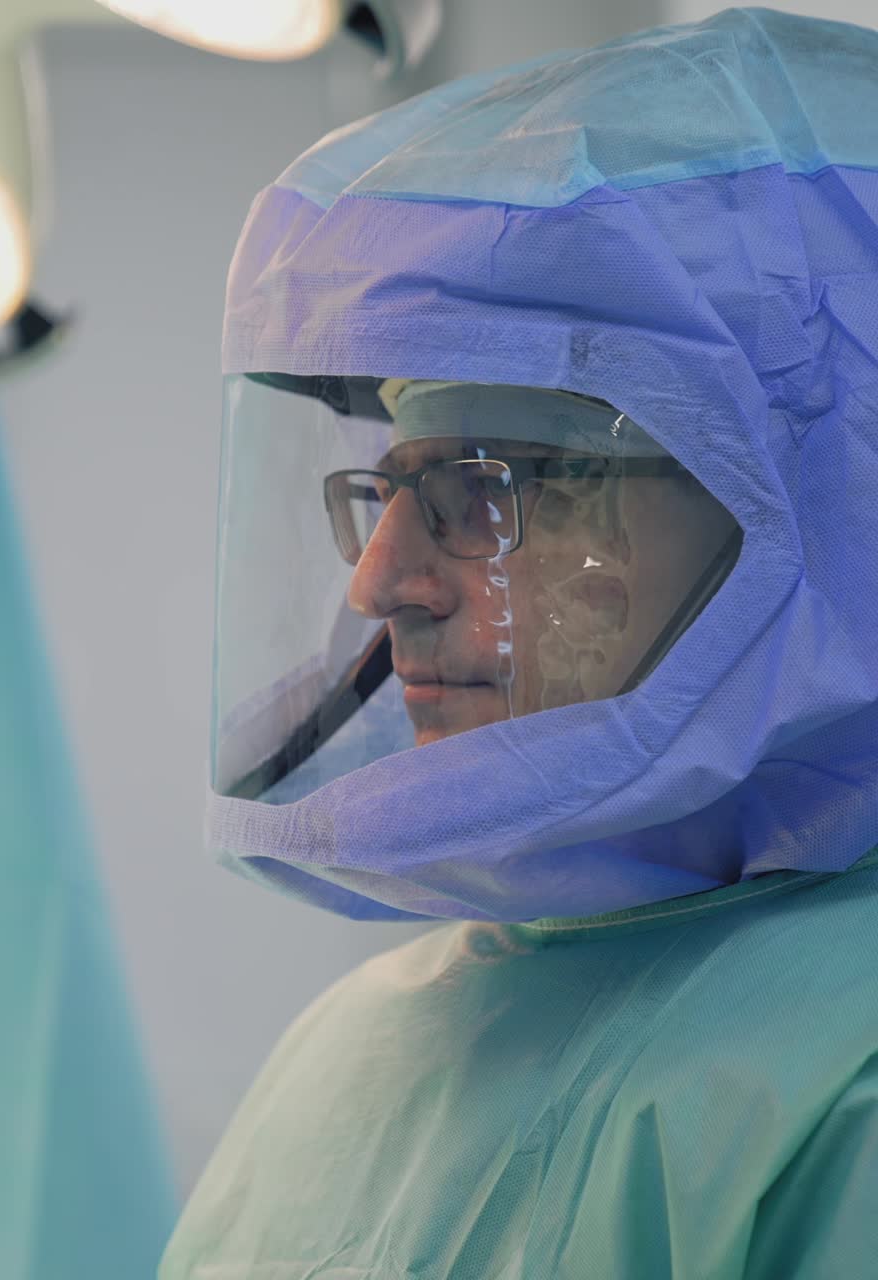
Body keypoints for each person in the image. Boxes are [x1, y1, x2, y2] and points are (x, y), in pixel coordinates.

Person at [160, 8, 878, 1278]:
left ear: (831, 502)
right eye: (384, 492)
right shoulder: (362, 1050)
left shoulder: (839, 1090)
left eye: (497, 488)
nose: (382, 582)